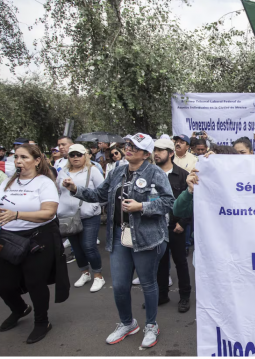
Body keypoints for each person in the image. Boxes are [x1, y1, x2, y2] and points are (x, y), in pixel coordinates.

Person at [62, 133, 173, 349]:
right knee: (120, 286)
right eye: (128, 144)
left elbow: (168, 202)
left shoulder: (155, 173)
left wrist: (142, 207)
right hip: (119, 237)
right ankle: (127, 323)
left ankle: (151, 325)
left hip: (146, 238)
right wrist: (75, 189)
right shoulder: (117, 172)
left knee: (149, 284)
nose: (129, 148)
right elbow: (98, 195)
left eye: (135, 146)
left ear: (146, 153)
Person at [0, 144, 68, 344]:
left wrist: (17, 214)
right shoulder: (8, 182)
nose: (18, 161)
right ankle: (19, 309)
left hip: (38, 238)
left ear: (37, 161)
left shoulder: (44, 183)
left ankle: (42, 322)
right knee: (2, 283)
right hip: (9, 238)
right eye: (16, 157)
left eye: (24, 157)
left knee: (35, 283)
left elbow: (48, 213)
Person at [56, 144, 106, 292]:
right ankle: (85, 273)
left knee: (89, 246)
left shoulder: (93, 171)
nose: (76, 157)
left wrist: (95, 207)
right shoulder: (63, 172)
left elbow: (102, 192)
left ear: (85, 155)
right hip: (68, 216)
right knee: (76, 248)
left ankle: (98, 275)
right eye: (72, 155)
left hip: (88, 215)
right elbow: (58, 192)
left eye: (79, 154)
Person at [151, 139, 192, 313]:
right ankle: (162, 295)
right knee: (159, 263)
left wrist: (183, 223)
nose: (157, 153)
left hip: (176, 227)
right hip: (155, 227)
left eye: (161, 150)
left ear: (170, 153)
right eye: (155, 150)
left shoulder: (182, 175)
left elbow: (191, 201)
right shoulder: (149, 174)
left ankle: (184, 296)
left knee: (181, 263)